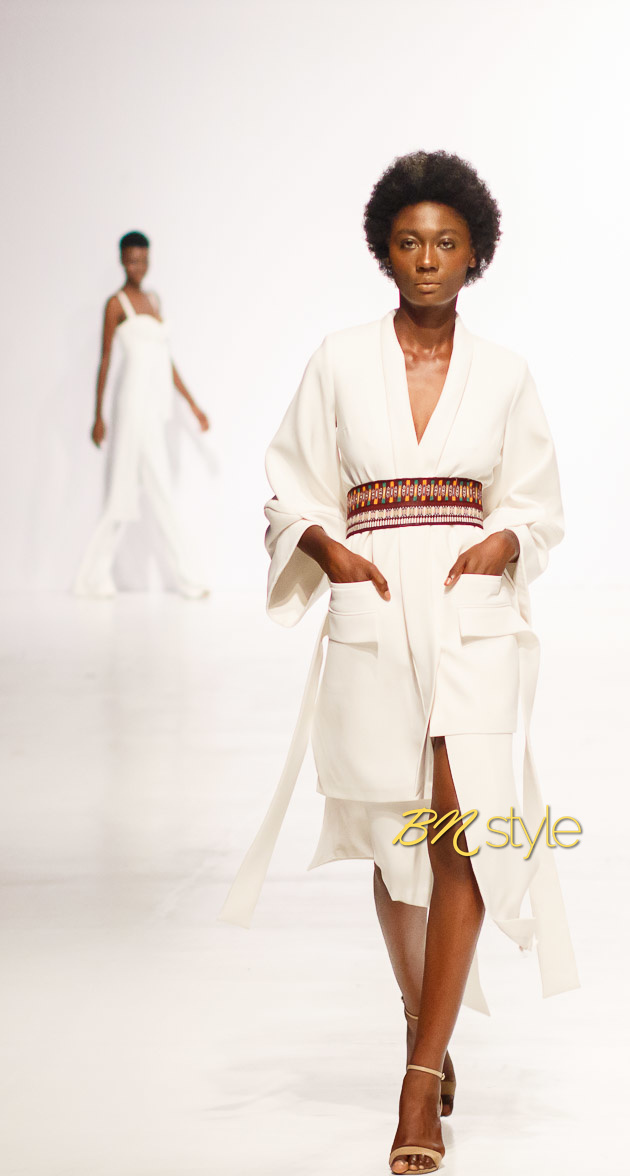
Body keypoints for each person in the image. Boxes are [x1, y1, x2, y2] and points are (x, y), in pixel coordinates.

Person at [219, 151, 580, 1173]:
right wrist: (329, 552)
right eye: (411, 242)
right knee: (395, 839)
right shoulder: (338, 361)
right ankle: (427, 1018)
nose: (428, 259)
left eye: (447, 243)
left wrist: (505, 542)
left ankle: (419, 1083)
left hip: (467, 609)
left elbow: (538, 502)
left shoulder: (504, 374)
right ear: (385, 250)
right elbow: (290, 487)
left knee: (461, 828)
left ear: (476, 255)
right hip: (375, 600)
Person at [73, 230, 210, 598]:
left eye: (144, 259)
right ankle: (99, 578)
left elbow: (166, 361)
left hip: (155, 407)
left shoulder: (153, 300)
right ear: (122, 260)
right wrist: (98, 415)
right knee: (128, 490)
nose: (138, 266)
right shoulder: (115, 304)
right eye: (132, 260)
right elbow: (105, 360)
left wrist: (192, 404)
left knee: (154, 488)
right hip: (131, 406)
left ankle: (98, 577)